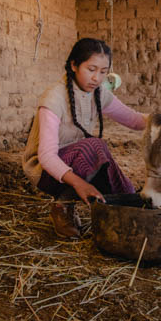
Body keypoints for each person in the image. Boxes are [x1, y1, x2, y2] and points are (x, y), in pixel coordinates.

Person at [22, 38, 146, 238]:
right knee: (93, 147)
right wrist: (81, 184)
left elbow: (134, 120)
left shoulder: (98, 93)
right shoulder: (53, 98)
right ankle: (63, 207)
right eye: (91, 69)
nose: (97, 78)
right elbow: (46, 156)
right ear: (74, 65)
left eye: (103, 72)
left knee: (127, 191)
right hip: (44, 170)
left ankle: (121, 213)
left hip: (78, 161)